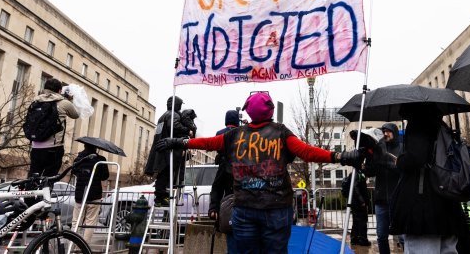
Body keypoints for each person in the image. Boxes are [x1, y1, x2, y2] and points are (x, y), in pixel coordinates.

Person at [157, 91, 363, 254]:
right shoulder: (281, 132)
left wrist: (180, 142)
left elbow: (208, 143)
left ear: (249, 112)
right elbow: (306, 152)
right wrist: (340, 156)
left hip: (245, 208)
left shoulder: (234, 135)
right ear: (270, 111)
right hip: (276, 208)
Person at [390, 103, 466, 254]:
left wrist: (400, 161)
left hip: (423, 206)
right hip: (447, 203)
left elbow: (417, 158)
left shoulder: (417, 124)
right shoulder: (441, 126)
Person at [144, 96, 196, 207]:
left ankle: (160, 197)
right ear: (177, 104)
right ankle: (161, 198)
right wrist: (188, 131)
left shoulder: (162, 116)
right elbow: (174, 126)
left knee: (162, 174)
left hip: (160, 148)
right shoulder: (174, 115)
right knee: (165, 173)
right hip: (168, 149)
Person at [29, 78, 79, 177]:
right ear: (60, 90)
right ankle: (45, 191)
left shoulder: (35, 100)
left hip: (35, 146)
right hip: (53, 148)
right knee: (49, 179)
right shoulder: (64, 103)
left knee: (33, 178)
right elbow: (76, 115)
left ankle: (30, 191)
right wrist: (68, 99)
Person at [209, 110, 240, 254]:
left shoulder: (220, 133)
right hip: (248, 205)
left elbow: (216, 187)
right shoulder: (244, 133)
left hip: (229, 202)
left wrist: (214, 207)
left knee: (232, 239)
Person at [371, 123, 404, 254]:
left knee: (402, 237)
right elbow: (371, 171)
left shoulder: (402, 148)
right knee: (381, 236)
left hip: (398, 200)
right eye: (383, 131)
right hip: (381, 200)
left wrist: (385, 162)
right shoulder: (379, 148)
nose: (385, 134)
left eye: (388, 131)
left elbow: (402, 169)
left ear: (394, 132)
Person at [71, 143, 109, 242]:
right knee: (90, 221)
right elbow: (105, 176)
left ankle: (73, 245)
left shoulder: (79, 159)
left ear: (84, 146)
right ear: (96, 148)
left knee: (76, 221)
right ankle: (85, 246)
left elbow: (74, 172)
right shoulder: (100, 160)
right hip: (94, 194)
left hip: (80, 194)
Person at [342, 170, 370, 246]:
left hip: (354, 201)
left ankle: (354, 238)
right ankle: (363, 239)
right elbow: (356, 188)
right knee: (362, 220)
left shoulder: (354, 173)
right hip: (359, 202)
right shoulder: (357, 174)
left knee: (356, 220)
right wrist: (362, 201)